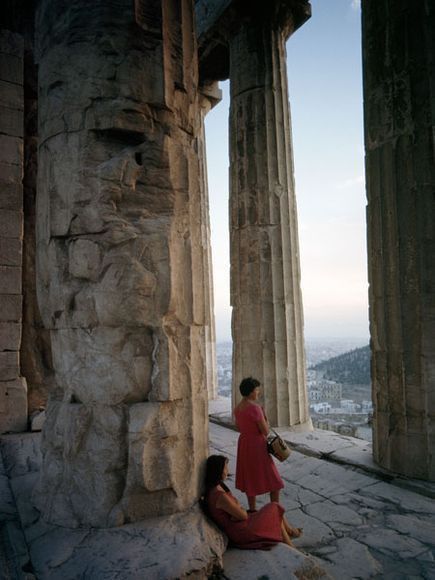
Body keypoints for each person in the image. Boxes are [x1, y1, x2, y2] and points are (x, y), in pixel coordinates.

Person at [203, 454, 302, 549]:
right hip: (241, 531)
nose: (227, 471)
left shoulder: (216, 488)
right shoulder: (220, 496)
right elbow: (243, 516)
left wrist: (237, 509)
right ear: (218, 471)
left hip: (239, 525)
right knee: (274, 507)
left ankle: (289, 535)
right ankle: (290, 543)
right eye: (225, 468)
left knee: (275, 509)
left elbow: (236, 514)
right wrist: (239, 508)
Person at [233, 377, 283, 511]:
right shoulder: (255, 408)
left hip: (244, 443)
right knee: (275, 482)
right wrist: (265, 418)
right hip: (257, 445)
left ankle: (252, 509)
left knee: (249, 477)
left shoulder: (237, 409)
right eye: (256, 390)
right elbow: (266, 431)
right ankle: (275, 511)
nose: (258, 392)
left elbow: (239, 427)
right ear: (250, 392)